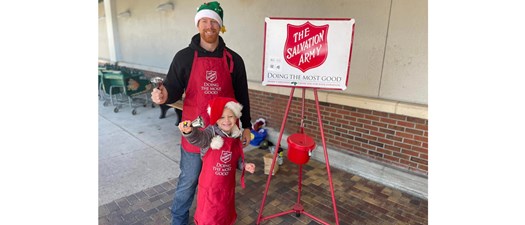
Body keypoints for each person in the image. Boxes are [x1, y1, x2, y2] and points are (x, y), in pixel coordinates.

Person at [150, 1, 252, 224]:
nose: (209, 25)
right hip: (195, 134)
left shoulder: (234, 60)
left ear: (220, 26)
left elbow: (242, 96)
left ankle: (216, 218)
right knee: (188, 181)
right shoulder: (183, 57)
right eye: (204, 21)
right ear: (198, 24)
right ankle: (179, 220)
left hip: (224, 136)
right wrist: (163, 95)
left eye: (214, 21)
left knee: (220, 183)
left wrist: (247, 126)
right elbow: (173, 89)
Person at [178, 97, 255, 225]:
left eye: (230, 116)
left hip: (227, 187)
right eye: (222, 117)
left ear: (236, 117)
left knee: (224, 214)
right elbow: (199, 139)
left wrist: (244, 165)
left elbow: (234, 159)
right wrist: (190, 132)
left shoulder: (236, 136)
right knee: (208, 216)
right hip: (210, 188)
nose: (226, 120)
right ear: (215, 118)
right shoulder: (210, 133)